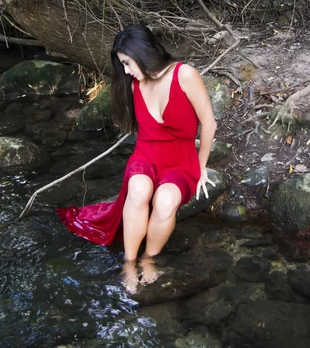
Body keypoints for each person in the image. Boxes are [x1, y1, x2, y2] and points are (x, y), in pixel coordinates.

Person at [58, 24, 217, 291]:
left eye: (128, 63)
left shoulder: (184, 75)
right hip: (145, 154)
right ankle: (129, 263)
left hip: (180, 160)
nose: (127, 71)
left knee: (165, 202)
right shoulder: (134, 86)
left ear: (143, 53)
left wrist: (201, 169)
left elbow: (209, 124)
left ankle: (148, 259)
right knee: (138, 188)